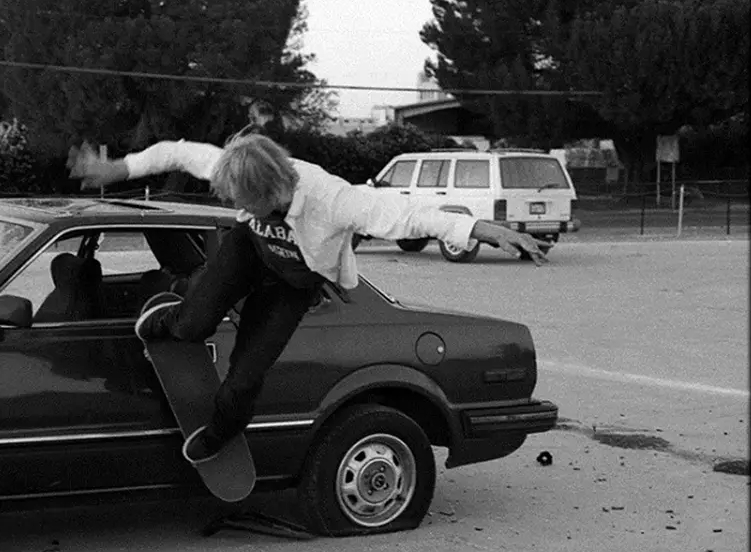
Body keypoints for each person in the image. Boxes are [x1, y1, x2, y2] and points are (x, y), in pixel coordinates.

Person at [66, 132, 547, 465]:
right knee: (193, 326)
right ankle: (179, 313)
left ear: (270, 190)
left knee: (245, 377)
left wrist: (480, 228)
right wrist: (118, 167)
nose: (236, 205)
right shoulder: (241, 167)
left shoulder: (334, 199)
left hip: (293, 283)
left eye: (244, 201)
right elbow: (176, 151)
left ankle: (222, 431)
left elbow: (406, 216)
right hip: (250, 251)